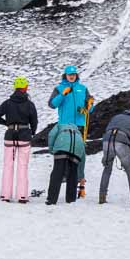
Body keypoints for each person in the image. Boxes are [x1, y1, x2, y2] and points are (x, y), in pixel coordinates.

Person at [49, 65, 93, 197]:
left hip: (79, 126)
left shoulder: (83, 89)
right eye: (69, 74)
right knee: (63, 155)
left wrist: (89, 105)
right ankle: (62, 178)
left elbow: (89, 109)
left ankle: (79, 185)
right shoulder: (59, 88)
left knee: (80, 156)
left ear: (76, 75)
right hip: (64, 127)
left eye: (73, 74)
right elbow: (52, 104)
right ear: (65, 75)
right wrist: (63, 94)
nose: (72, 76)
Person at [0, 77, 39, 203]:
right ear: (25, 88)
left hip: (9, 136)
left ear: (15, 88)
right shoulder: (29, 104)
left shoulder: (7, 103)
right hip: (24, 136)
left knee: (8, 165)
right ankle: (22, 196)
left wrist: (7, 124)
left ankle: (5, 195)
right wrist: (32, 132)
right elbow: (34, 121)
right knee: (22, 166)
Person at [98, 106, 130, 207]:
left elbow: (107, 130)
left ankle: (102, 197)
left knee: (107, 168)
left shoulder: (116, 117)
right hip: (121, 143)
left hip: (107, 142)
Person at [46, 120, 85, 205]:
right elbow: (83, 154)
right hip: (77, 148)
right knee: (73, 174)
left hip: (62, 146)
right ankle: (71, 199)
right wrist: (81, 174)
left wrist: (51, 149)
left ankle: (51, 199)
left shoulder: (60, 125)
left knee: (57, 173)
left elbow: (51, 135)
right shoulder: (78, 132)